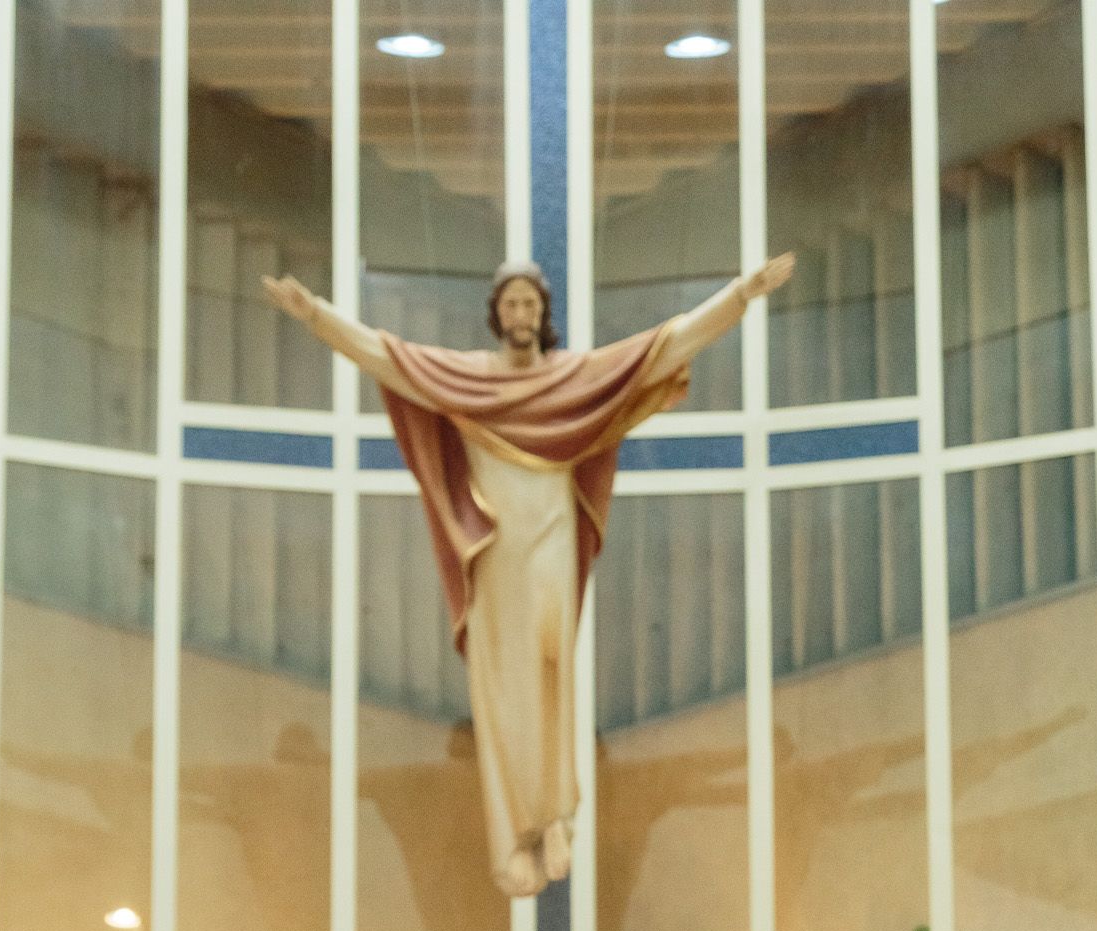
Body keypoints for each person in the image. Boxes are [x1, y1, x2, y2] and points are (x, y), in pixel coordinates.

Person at [263, 256, 791, 895]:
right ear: (496, 315)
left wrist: (738, 295)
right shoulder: (467, 377)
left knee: (549, 670)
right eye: (511, 304)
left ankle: (555, 816)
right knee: (499, 689)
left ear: (544, 316)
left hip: (550, 541)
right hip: (493, 548)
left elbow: (663, 346)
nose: (522, 315)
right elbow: (383, 355)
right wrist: (313, 313)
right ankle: (512, 837)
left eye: (531, 306)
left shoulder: (574, 378)